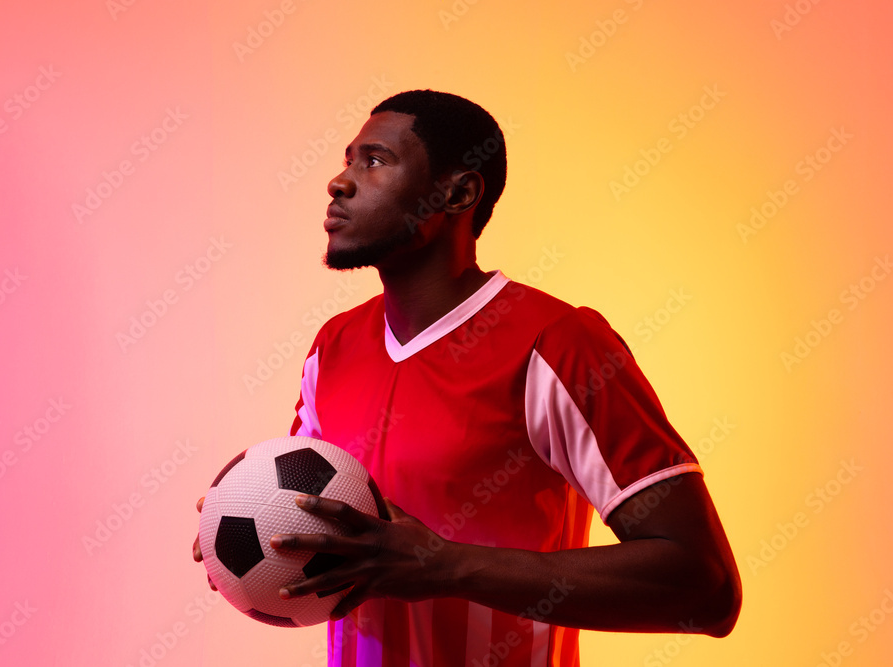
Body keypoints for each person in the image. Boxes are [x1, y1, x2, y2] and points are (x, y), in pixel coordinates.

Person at [195, 89, 741, 666]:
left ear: (456, 192)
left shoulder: (557, 342)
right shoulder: (332, 347)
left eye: (374, 161)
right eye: (348, 159)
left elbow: (703, 586)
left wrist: (444, 565)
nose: (340, 181)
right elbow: (323, 528)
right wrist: (246, 534)